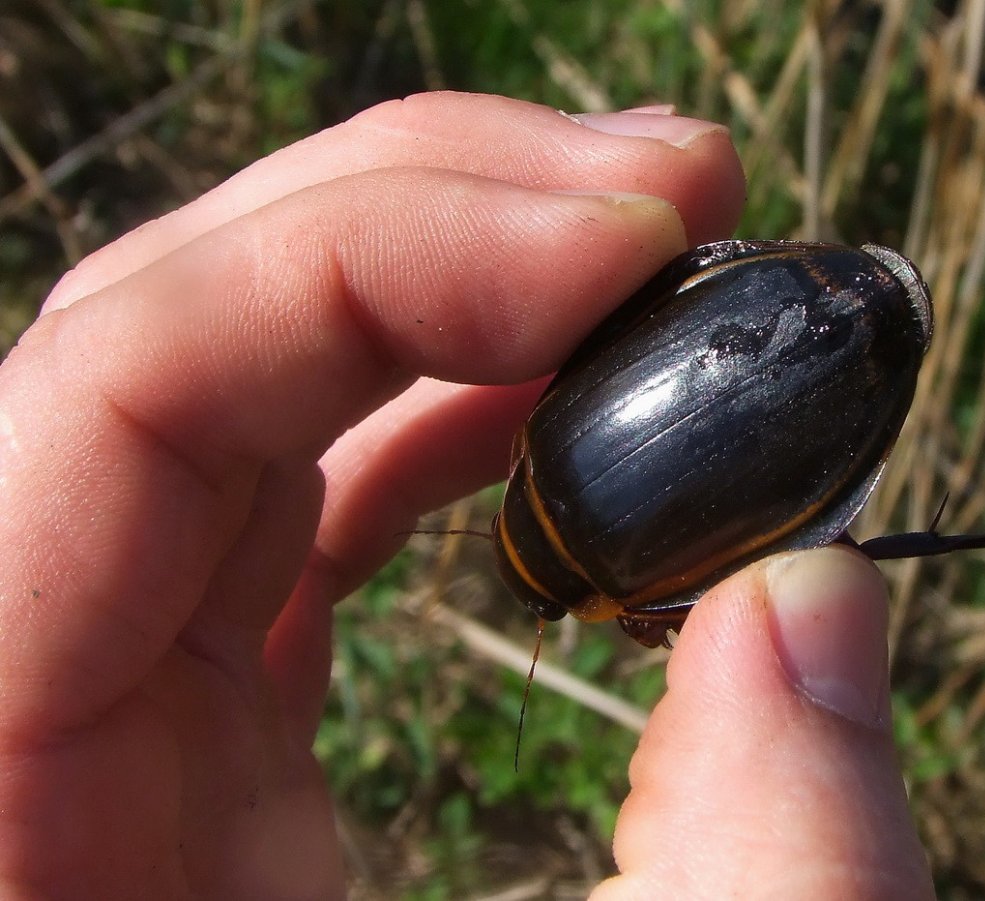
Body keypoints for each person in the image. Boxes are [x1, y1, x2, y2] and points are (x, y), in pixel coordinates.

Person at [0, 92, 935, 899]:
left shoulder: (634, 589)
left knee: (801, 566)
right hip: (793, 301)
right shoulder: (546, 435)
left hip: (829, 385)